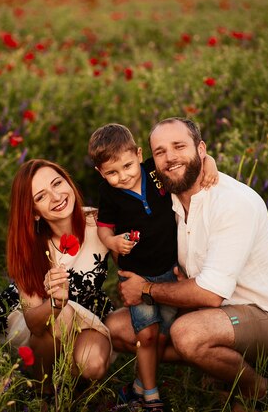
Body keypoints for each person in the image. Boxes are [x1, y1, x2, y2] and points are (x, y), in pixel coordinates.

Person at [105, 117, 268, 409]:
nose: (170, 157)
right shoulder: (165, 197)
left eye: (179, 146)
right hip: (206, 312)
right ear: (150, 160)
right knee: (118, 328)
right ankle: (217, 364)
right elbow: (109, 200)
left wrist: (144, 289)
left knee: (188, 335)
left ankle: (256, 389)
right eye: (160, 151)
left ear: (201, 149)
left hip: (267, 316)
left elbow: (209, 294)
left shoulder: (233, 202)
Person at [88, 123, 218, 412]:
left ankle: (137, 386)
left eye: (127, 166)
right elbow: (104, 228)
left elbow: (192, 161)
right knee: (146, 334)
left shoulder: (152, 171)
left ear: (138, 154)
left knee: (161, 334)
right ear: (100, 173)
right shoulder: (109, 194)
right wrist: (112, 242)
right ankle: (150, 395)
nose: (122, 176)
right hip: (138, 275)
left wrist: (209, 162)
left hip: (170, 270)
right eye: (111, 173)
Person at [0, 159, 114, 388]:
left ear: (68, 182)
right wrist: (55, 303)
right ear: (34, 212)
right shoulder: (30, 249)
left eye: (57, 183)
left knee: (93, 363)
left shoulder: (99, 223)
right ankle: (44, 392)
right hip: (36, 324)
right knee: (48, 327)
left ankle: (70, 386)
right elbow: (35, 325)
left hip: (85, 312)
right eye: (41, 196)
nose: (56, 196)